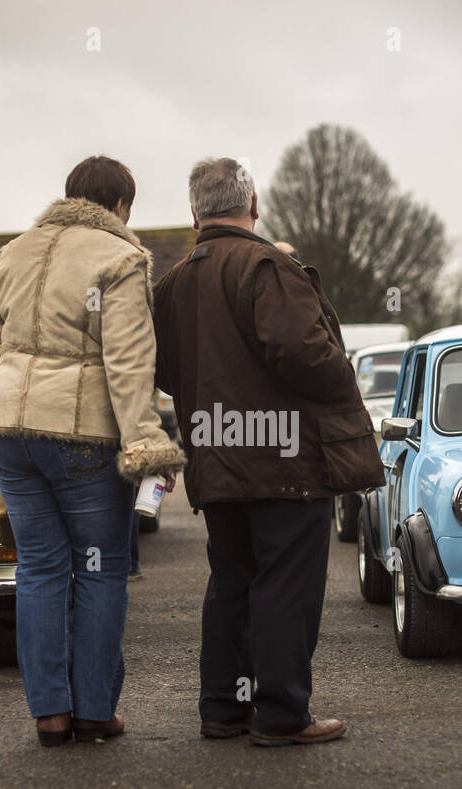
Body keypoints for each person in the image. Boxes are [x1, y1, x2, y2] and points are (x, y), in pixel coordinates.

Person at [152, 157, 384, 746]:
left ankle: (224, 710)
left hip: (215, 451)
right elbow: (305, 355)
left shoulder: (173, 282)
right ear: (251, 204)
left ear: (194, 212)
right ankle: (282, 715)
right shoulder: (267, 265)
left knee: (231, 580)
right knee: (286, 586)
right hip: (281, 457)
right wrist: (340, 378)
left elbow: (162, 369)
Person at [0, 156, 184, 747]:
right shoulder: (120, 259)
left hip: (10, 430)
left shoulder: (11, 254)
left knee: (40, 566)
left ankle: (49, 713)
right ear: (122, 207)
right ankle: (93, 710)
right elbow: (128, 361)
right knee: (100, 568)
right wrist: (146, 441)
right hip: (83, 437)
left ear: (68, 195)